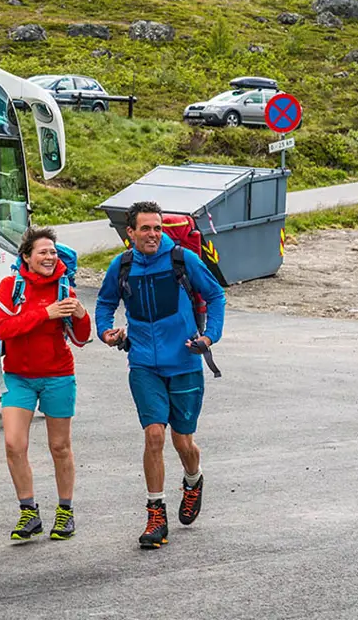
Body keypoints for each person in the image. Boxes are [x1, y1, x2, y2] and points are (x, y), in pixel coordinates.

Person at [94, 201, 226, 549]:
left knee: (183, 442)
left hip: (184, 362)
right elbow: (105, 303)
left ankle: (193, 480)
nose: (153, 235)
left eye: (158, 228)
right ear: (131, 233)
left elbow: (215, 295)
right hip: (143, 365)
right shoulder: (122, 266)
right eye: (146, 229)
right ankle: (156, 513)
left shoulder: (182, 260)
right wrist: (106, 331)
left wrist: (209, 336)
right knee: (154, 436)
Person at [0, 226, 92, 541]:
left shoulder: (65, 289)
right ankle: (28, 512)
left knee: (60, 447)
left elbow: (81, 338)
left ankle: (65, 511)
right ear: (26, 257)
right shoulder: (10, 287)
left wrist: (80, 313)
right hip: (18, 377)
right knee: (13, 444)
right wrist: (45, 313)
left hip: (58, 376)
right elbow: (5, 328)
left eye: (52, 251)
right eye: (42, 252)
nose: (49, 257)